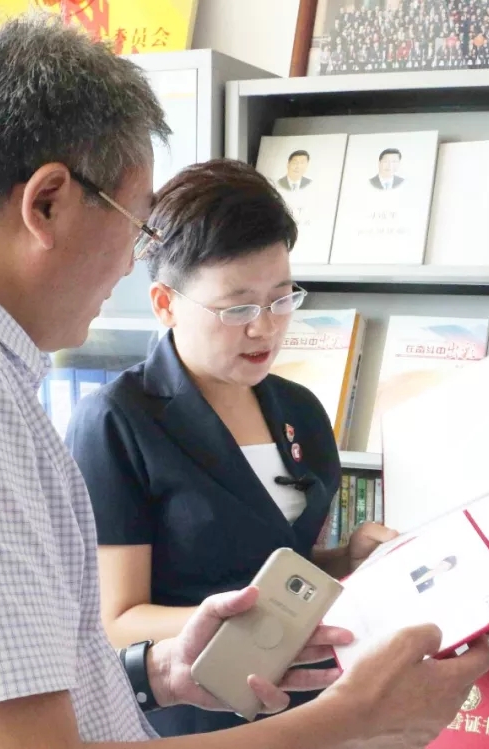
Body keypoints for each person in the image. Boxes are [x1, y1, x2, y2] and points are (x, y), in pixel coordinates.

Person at [0, 14, 489, 749]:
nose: (131, 259)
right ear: (47, 203)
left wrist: (156, 671)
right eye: (139, 223)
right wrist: (354, 715)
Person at [65, 158, 396, 737]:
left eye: (281, 299)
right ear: (165, 303)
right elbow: (116, 621)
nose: (264, 328)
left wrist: (345, 559)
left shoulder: (300, 409)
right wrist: (259, 622)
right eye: (237, 308)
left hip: (309, 704)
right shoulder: (116, 422)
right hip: (190, 714)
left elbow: (274, 564)